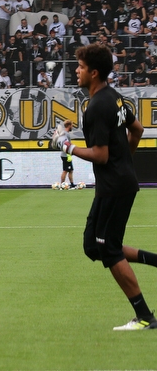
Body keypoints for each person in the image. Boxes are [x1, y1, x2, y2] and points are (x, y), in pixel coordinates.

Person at [54, 43, 157, 330]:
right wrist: (124, 163)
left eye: (81, 67)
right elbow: (137, 130)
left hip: (113, 187)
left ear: (94, 72)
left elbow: (100, 155)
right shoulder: (115, 98)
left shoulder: (97, 106)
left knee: (109, 250)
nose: (77, 70)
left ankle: (145, 317)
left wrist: (66, 145)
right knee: (92, 246)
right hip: (116, 183)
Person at [55, 120, 77, 189]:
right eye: (72, 126)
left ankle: (72, 184)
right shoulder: (66, 134)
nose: (72, 127)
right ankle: (62, 185)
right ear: (69, 125)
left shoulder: (64, 133)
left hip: (67, 155)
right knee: (65, 170)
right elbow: (66, 144)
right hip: (65, 155)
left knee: (70, 170)